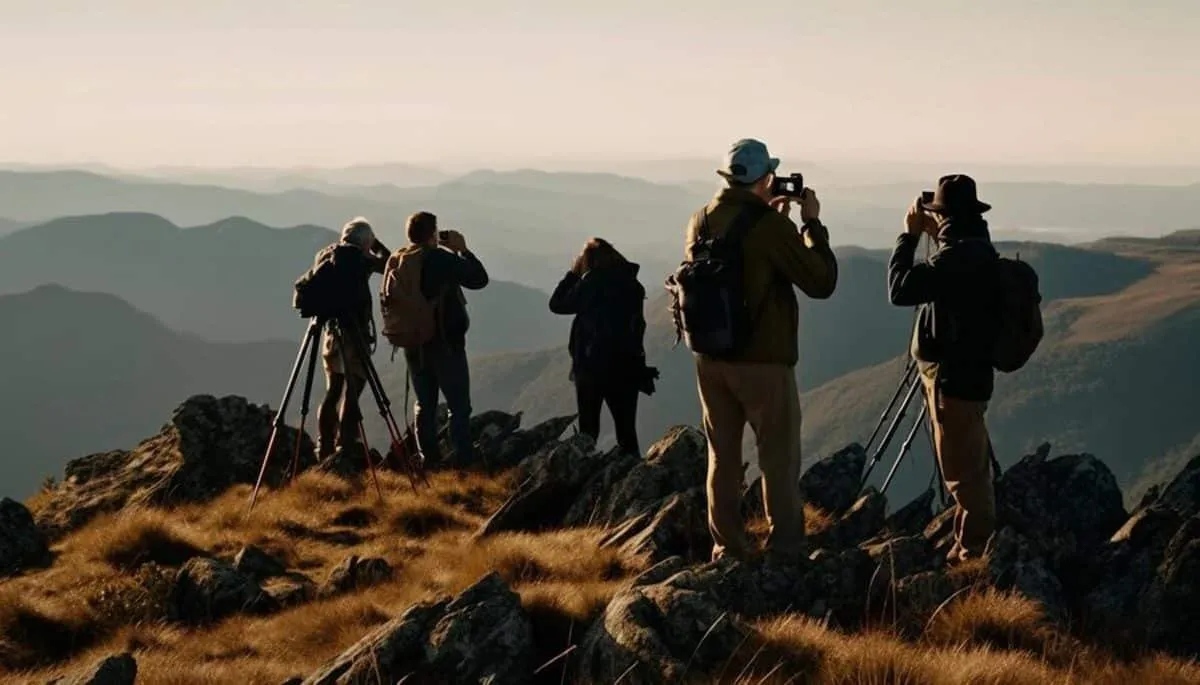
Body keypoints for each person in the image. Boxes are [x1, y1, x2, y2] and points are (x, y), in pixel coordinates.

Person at [687, 138, 838, 562]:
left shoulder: (700, 220)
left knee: (722, 457)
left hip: (710, 359)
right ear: (766, 178)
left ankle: (728, 547)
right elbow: (821, 281)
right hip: (762, 362)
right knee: (778, 457)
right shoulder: (770, 228)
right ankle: (786, 549)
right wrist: (810, 226)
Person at [887, 173, 1000, 564]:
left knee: (962, 473)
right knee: (969, 462)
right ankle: (965, 544)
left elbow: (899, 289)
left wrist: (909, 236)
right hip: (971, 375)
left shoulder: (955, 260)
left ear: (945, 216)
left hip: (953, 381)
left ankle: (976, 557)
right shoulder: (979, 252)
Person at [400, 212, 489, 467]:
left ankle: (430, 461)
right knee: (458, 408)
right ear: (432, 235)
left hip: (413, 344)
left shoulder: (402, 259)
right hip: (445, 344)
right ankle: (463, 462)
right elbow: (479, 279)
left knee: (424, 405)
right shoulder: (440, 258)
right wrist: (463, 250)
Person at [549, 238, 649, 457]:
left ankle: (582, 478)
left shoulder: (591, 283)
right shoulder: (632, 285)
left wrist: (573, 274)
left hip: (591, 367)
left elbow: (556, 304)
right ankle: (630, 473)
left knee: (588, 430)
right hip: (627, 366)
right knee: (626, 430)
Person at [316, 217, 389, 460]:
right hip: (355, 334)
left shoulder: (325, 256)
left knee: (333, 390)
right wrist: (375, 244)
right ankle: (345, 444)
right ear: (365, 242)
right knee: (353, 389)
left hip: (330, 333)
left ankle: (324, 445)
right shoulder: (362, 259)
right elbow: (388, 263)